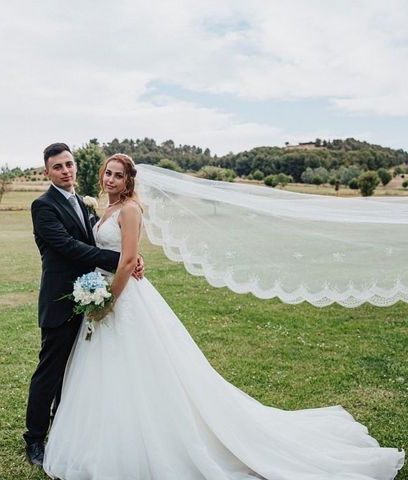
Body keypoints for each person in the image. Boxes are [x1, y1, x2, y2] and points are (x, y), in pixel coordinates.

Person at [43, 153, 405, 480]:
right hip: (102, 292)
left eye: (118, 176)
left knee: (144, 371)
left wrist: (109, 302)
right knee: (108, 372)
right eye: (108, 173)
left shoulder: (131, 209)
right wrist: (99, 293)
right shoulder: (103, 209)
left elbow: (126, 260)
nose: (110, 179)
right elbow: (102, 251)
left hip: (124, 298)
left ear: (129, 181)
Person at [24, 143, 144, 466]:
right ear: (47, 172)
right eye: (58, 167)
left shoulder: (86, 204)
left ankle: (65, 432)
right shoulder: (43, 206)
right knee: (50, 372)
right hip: (62, 300)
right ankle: (34, 439)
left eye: (69, 164)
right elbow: (69, 248)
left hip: (93, 296)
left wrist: (132, 257)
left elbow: (108, 237)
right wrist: (123, 260)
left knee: (78, 373)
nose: (66, 171)